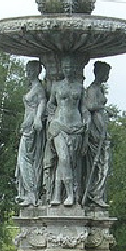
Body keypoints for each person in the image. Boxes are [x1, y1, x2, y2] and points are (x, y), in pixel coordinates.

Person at [45, 59, 85, 206]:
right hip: (59, 125)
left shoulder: (80, 88)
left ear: (75, 69)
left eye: (71, 67)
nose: (68, 69)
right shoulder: (56, 86)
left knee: (71, 163)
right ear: (62, 68)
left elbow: (84, 108)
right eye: (66, 67)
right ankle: (70, 195)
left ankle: (56, 195)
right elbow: (50, 104)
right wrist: (51, 122)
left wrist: (85, 121)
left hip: (75, 127)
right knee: (63, 159)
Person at [15, 60, 46, 206]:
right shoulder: (33, 86)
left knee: (26, 159)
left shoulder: (39, 87)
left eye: (30, 70)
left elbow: (42, 103)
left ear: (36, 71)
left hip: (32, 126)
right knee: (25, 159)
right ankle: (29, 193)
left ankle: (31, 193)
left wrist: (38, 119)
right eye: (27, 70)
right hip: (27, 125)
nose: (27, 73)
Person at [82, 61, 111, 207]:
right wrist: (104, 109)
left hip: (101, 132)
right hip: (96, 133)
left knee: (104, 164)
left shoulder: (99, 89)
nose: (107, 76)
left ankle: (97, 194)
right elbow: (90, 106)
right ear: (99, 73)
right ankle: (95, 194)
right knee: (100, 164)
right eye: (105, 73)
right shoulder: (92, 90)